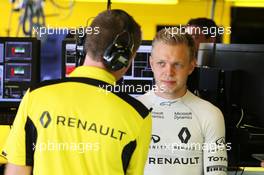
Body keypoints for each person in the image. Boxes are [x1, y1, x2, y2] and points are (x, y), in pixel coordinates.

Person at [2, 9, 152, 175]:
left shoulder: (36, 97)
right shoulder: (138, 116)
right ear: (124, 58)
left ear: (83, 45)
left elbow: (16, 172)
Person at [138, 28, 227, 175]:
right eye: (161, 63)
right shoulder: (132, 110)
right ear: (151, 64)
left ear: (192, 66)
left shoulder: (210, 114)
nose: (169, 72)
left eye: (177, 64)